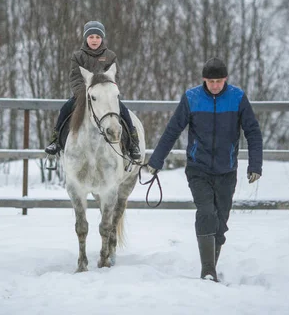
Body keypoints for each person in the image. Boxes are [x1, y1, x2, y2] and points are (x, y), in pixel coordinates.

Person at [147, 57, 263, 282]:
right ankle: (208, 271)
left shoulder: (238, 98)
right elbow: (172, 130)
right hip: (198, 168)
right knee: (206, 213)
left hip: (226, 170)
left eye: (219, 81)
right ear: (204, 80)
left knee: (221, 223)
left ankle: (211, 266)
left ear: (226, 80)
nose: (215, 85)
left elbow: (253, 132)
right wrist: (156, 161)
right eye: (211, 81)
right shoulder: (192, 98)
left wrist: (255, 164)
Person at [44, 21, 141, 160]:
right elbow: (75, 77)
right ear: (85, 38)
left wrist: (108, 90)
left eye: (97, 36)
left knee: (124, 111)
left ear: (102, 38)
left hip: (106, 95)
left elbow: (116, 75)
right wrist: (83, 93)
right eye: (91, 37)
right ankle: (55, 141)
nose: (94, 40)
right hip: (84, 94)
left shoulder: (110, 56)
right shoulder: (78, 56)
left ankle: (133, 143)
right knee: (65, 109)